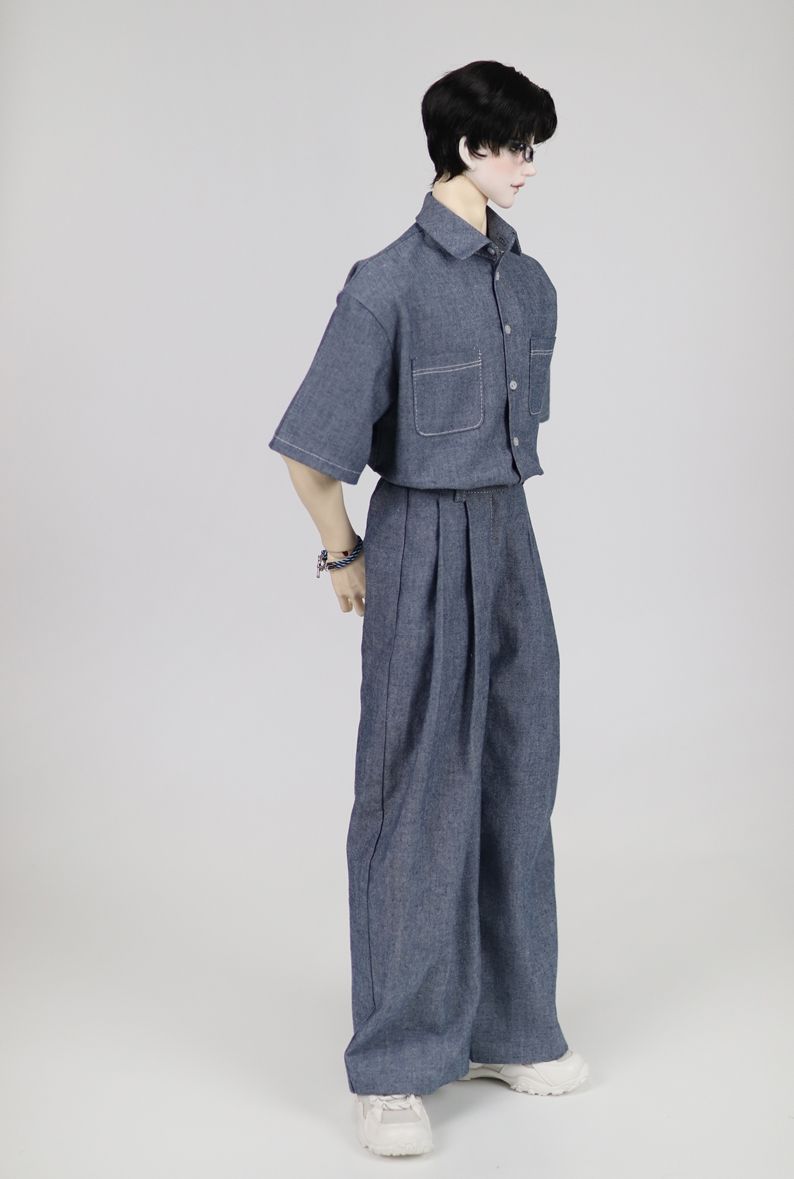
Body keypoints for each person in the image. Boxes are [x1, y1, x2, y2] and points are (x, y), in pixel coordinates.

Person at [268, 59, 589, 1158]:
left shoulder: (528, 283)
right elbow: (311, 451)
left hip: (509, 542)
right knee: (416, 797)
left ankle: (510, 1025)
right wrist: (342, 555)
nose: (527, 166)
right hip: (421, 541)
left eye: (532, 148)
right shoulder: (388, 283)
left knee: (518, 778)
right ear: (465, 147)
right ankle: (396, 1062)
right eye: (514, 147)